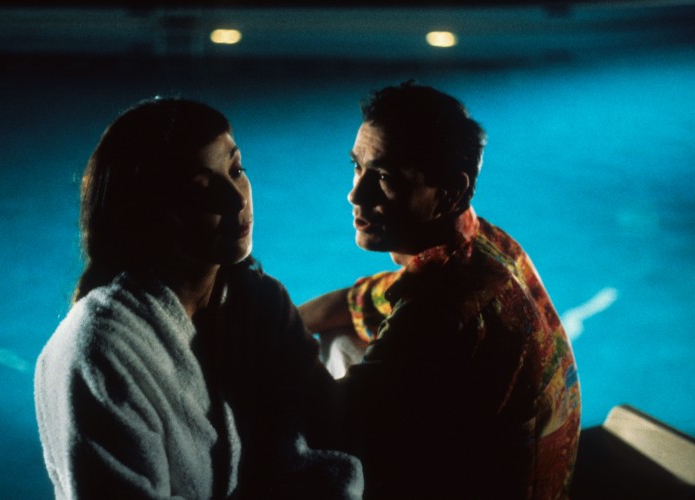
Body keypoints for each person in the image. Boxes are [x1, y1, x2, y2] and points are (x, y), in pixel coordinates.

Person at [34, 97, 362, 499]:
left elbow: (329, 423)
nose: (236, 199)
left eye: (236, 170)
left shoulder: (260, 303)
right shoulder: (100, 351)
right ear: (147, 211)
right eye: (200, 188)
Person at [300, 82, 581, 499]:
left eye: (385, 177)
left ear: (450, 193)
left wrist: (253, 321)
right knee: (341, 338)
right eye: (357, 167)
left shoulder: (439, 307)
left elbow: (327, 425)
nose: (355, 193)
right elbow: (353, 302)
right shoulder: (483, 242)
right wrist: (281, 322)